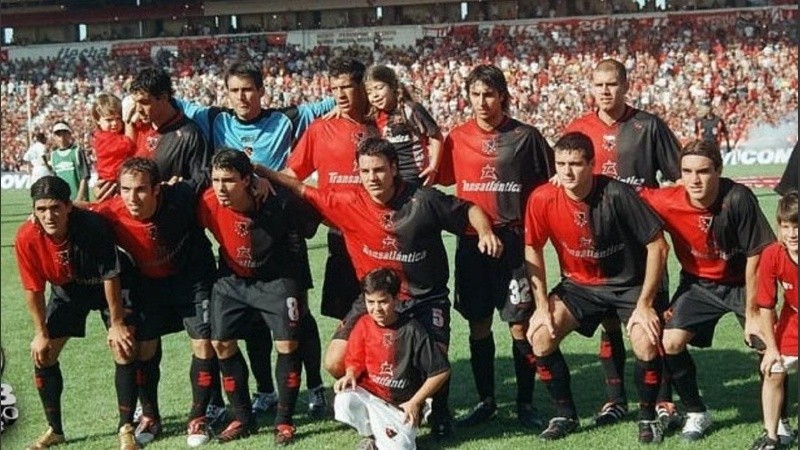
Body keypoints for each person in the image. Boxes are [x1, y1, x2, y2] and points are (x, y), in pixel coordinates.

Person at [260, 137, 503, 438]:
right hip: (373, 300)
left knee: (434, 358)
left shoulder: (422, 200)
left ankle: (439, 412)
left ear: (394, 168)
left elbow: (468, 209)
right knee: (336, 362)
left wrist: (485, 231)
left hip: (424, 298)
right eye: (365, 171)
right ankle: (384, 410)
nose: (372, 178)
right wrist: (261, 171)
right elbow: (300, 189)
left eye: (378, 170)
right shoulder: (347, 202)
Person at [175, 61, 332, 419]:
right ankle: (264, 390)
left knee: (298, 316)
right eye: (234, 90)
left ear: (262, 91)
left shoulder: (287, 119)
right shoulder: (215, 119)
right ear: (226, 94)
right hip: (239, 229)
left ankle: (315, 387)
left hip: (280, 227)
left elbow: (332, 102)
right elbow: (174, 105)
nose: (242, 97)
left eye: (248, 89)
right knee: (251, 319)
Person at [524, 132, 669, 443]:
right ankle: (565, 415)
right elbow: (532, 249)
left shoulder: (617, 194)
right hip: (579, 286)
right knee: (539, 337)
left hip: (628, 285)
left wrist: (645, 304)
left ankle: (647, 417)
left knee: (645, 341)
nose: (567, 172)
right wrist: (540, 306)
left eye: (575, 164)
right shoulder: (542, 198)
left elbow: (658, 246)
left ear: (592, 164)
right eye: (561, 164)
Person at [564, 58, 682, 429]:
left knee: (651, 320)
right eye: (599, 84)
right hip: (600, 239)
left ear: (626, 85)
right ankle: (614, 399)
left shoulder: (648, 126)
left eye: (612, 84)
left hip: (641, 237)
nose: (605, 91)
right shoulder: (579, 128)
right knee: (609, 322)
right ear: (591, 87)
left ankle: (663, 399)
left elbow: (677, 177)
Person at [436, 64, 554, 429]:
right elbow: (439, 176)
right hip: (472, 245)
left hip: (513, 243)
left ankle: (525, 403)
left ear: (502, 95)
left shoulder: (526, 136)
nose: (482, 102)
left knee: (519, 325)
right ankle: (487, 400)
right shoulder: (457, 138)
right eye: (475, 94)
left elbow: (548, 184)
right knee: (479, 324)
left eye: (489, 94)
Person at [640, 140, 776, 442]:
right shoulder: (667, 200)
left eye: (703, 171)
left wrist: (753, 312)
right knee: (670, 342)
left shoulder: (738, 197)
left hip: (743, 283)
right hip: (698, 285)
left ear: (719, 170)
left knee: (766, 345)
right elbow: (624, 193)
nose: (695, 179)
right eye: (687, 171)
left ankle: (776, 422)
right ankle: (696, 411)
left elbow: (758, 254)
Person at [90, 158, 221, 447]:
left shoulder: (181, 195)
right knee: (143, 349)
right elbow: (75, 215)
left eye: (139, 190)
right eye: (125, 189)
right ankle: (150, 416)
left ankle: (198, 416)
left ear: (157, 190)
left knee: (204, 343)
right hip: (149, 284)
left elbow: (212, 171)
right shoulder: (110, 211)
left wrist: (258, 176)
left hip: (192, 278)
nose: (131, 198)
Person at [197, 149, 321, 444]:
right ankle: (242, 418)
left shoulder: (277, 200)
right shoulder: (206, 201)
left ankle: (284, 421)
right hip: (232, 280)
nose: (221, 188)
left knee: (288, 343)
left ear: (247, 180)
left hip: (276, 278)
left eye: (228, 180)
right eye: (216, 179)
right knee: (222, 343)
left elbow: (312, 220)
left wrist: (274, 186)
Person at [15, 176, 139, 450]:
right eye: (42, 209)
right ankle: (55, 430)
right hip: (68, 290)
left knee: (124, 346)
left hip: (106, 287)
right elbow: (33, 288)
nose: (49, 215)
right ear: (34, 211)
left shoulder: (92, 226)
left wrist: (116, 323)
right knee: (43, 354)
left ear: (69, 206)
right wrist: (40, 333)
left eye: (56, 208)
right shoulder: (26, 236)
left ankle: (126, 427)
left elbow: (110, 275)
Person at [284, 57, 377, 322]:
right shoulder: (320, 128)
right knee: (347, 316)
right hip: (340, 235)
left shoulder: (381, 124)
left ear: (361, 87)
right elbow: (293, 173)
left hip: (380, 231)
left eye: (346, 87)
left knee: (387, 311)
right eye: (334, 88)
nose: (340, 95)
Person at [333, 268, 451, 450]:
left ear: (396, 299)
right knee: (343, 402)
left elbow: (441, 371)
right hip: (371, 395)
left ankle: (387, 437)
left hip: (400, 405)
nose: (376, 309)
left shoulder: (412, 330)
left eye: (383, 302)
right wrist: (350, 374)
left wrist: (415, 402)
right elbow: (354, 359)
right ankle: (372, 435)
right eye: (370, 302)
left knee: (399, 448)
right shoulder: (363, 323)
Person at [751, 191, 798, 450]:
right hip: (793, 321)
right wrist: (771, 348)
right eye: (786, 226)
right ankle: (771, 436)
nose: (792, 234)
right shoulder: (772, 255)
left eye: (798, 226)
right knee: (773, 371)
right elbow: (766, 305)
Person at [364, 64, 443, 187]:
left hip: (414, 177)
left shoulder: (411, 109)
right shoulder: (373, 115)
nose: (374, 95)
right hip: (389, 178)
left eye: (379, 88)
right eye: (369, 92)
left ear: (393, 86)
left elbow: (436, 136)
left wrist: (433, 167)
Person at [90, 93, 136, 185]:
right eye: (109, 120)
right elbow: (129, 143)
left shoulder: (111, 134)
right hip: (111, 180)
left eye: (118, 118)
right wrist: (128, 122)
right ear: (97, 120)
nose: (115, 123)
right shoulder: (103, 138)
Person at [49, 121, 90, 202]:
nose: (61, 137)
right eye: (58, 135)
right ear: (54, 137)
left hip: (79, 199)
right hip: (63, 201)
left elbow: (84, 177)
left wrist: (79, 198)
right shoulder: (53, 155)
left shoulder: (76, 151)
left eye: (64, 133)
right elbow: (55, 178)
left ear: (69, 134)